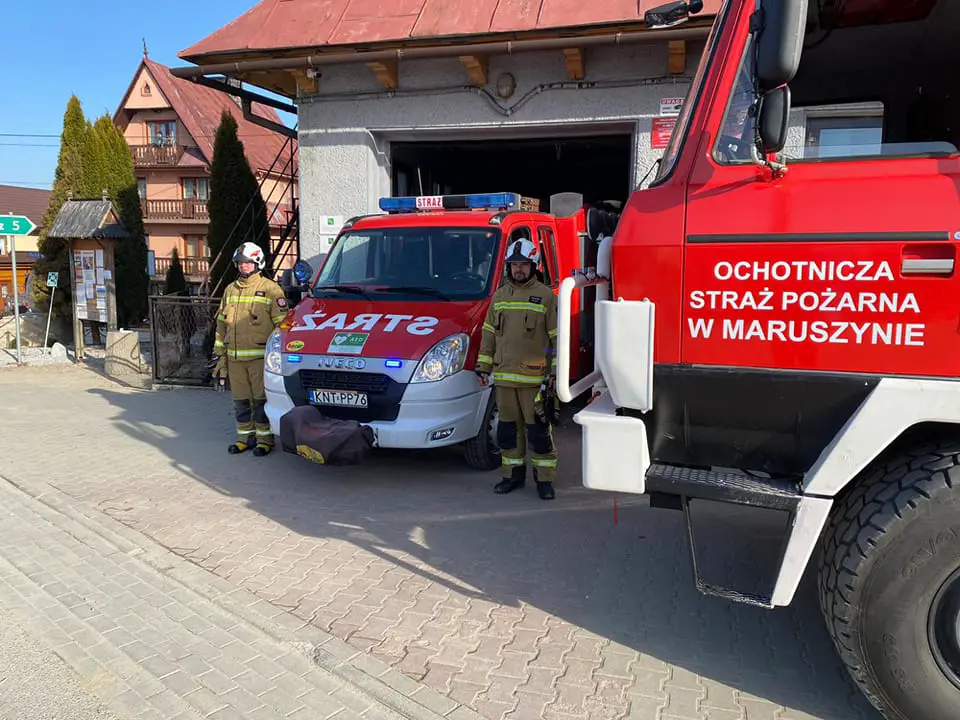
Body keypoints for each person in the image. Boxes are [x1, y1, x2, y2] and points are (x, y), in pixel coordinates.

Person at [475, 238, 559, 500]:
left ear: (534, 265)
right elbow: (488, 334)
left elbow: (557, 338)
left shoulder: (546, 296)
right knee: (508, 433)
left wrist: (555, 373)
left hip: (534, 380)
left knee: (539, 433)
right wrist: (483, 367)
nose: (518, 269)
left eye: (523, 264)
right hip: (504, 379)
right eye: (514, 265)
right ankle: (512, 477)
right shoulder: (500, 296)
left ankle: (544, 481)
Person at [211, 242, 289, 456]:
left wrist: (278, 357)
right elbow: (221, 324)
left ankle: (265, 440)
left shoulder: (271, 289)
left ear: (257, 263)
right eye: (240, 263)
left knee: (261, 401)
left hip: (260, 359)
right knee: (241, 402)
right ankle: (244, 438)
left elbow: (283, 326)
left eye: (247, 263)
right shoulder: (230, 290)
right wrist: (219, 354)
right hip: (234, 360)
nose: (243, 266)